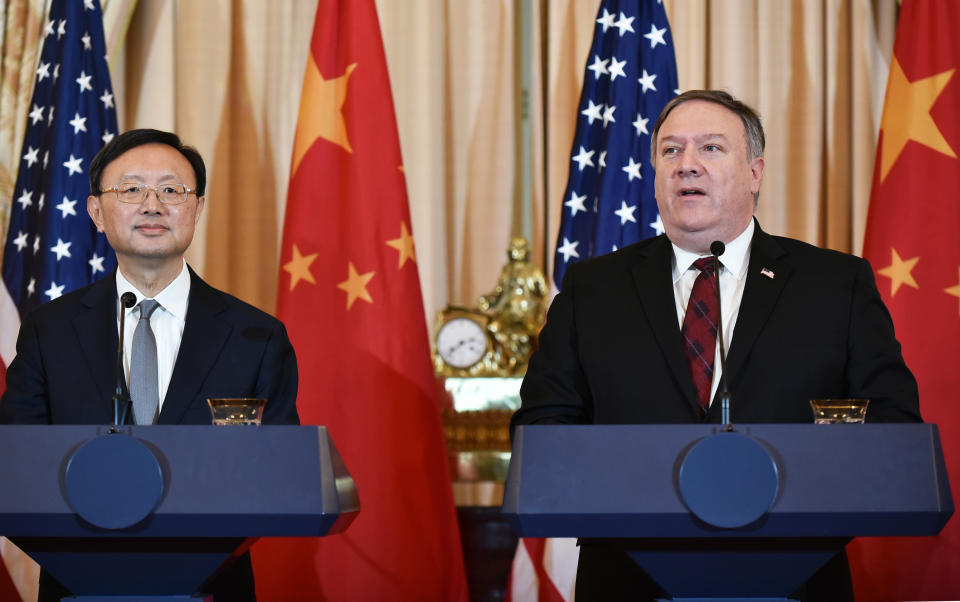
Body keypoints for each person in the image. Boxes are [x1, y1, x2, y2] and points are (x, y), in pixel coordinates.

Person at [512, 90, 921, 601]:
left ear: (755, 172)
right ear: (655, 176)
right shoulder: (593, 289)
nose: (687, 166)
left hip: (793, 577)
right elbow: (542, 429)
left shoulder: (835, 284)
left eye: (710, 148)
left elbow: (893, 424)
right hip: (628, 579)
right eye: (670, 151)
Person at [0, 128, 299, 601]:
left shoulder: (255, 336)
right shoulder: (49, 331)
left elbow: (280, 471)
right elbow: (15, 462)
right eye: (132, 189)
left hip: (212, 589)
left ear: (197, 209)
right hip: (80, 587)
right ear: (97, 212)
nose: (152, 204)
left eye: (172, 190)